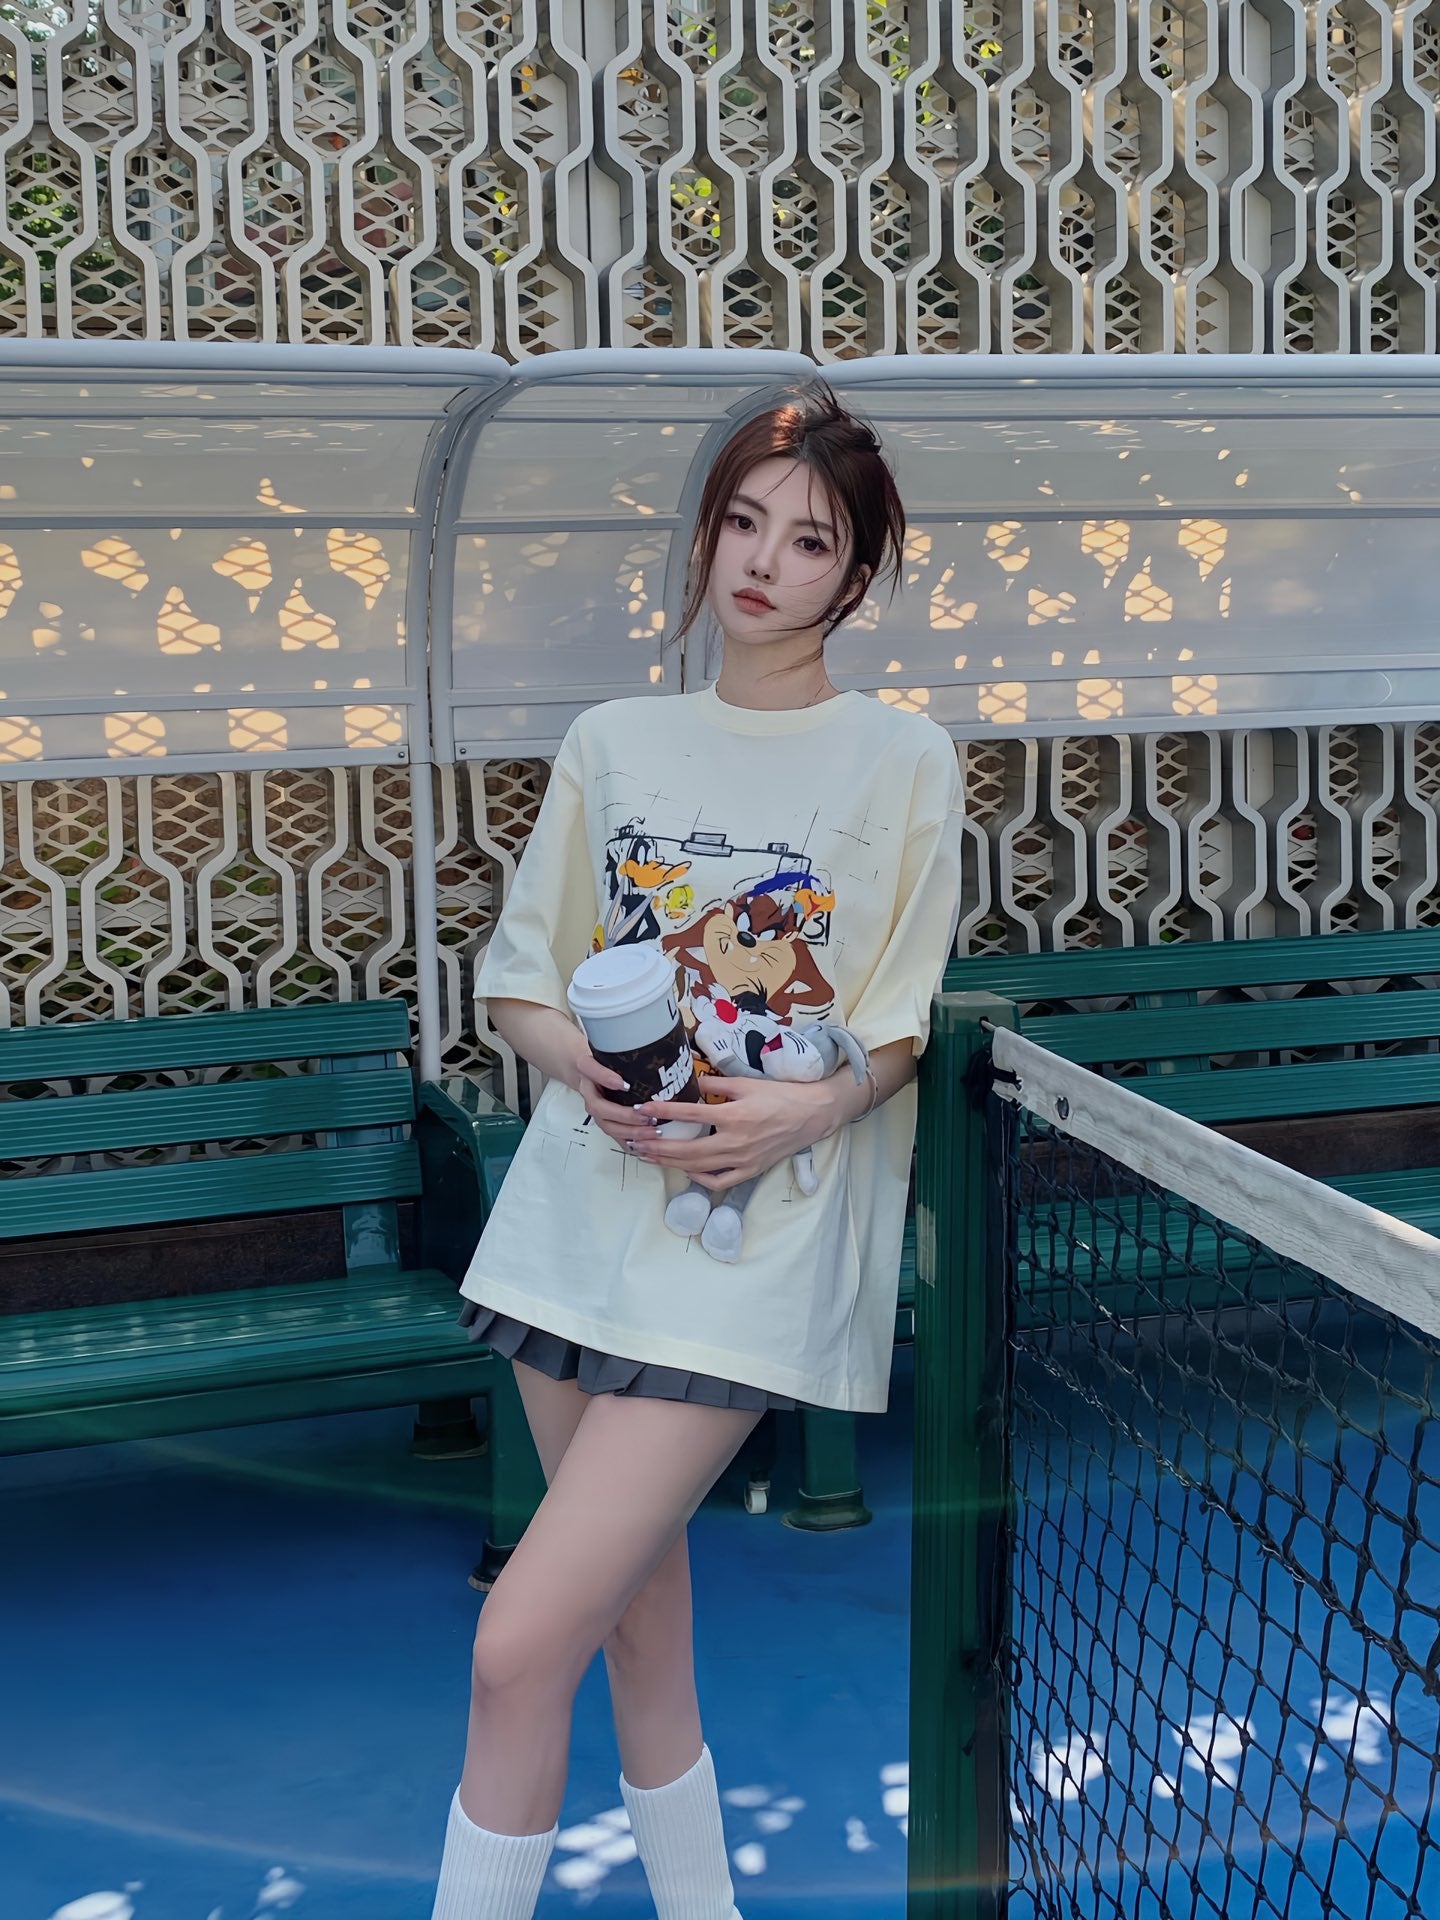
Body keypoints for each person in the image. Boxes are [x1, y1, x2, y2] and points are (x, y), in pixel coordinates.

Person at [430, 380, 965, 1920]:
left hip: (750, 1249)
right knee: (635, 1634)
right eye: (743, 523)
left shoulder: (903, 758)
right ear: (706, 535)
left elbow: (898, 1017)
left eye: (810, 541)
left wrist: (818, 1102)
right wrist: (589, 1075)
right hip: (573, 1226)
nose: (764, 563)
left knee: (514, 1649)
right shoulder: (614, 739)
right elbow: (520, 983)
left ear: (855, 575)